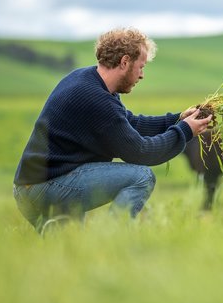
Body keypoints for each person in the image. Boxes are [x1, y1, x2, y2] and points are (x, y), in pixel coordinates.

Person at [13, 27, 212, 230]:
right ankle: (110, 238)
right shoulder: (97, 99)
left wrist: (178, 119)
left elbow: (129, 124)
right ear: (125, 62)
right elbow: (141, 153)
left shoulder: (88, 80)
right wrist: (185, 131)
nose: (142, 75)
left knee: (69, 251)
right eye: (141, 67)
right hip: (47, 188)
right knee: (142, 177)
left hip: (35, 187)